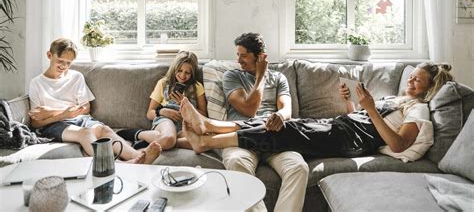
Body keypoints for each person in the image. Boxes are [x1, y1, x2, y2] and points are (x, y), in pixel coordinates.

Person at [180, 63, 453, 163]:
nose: (411, 82)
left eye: (418, 80)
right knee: (274, 121)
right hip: (342, 125)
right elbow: (366, 119)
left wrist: (369, 108)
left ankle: (207, 140)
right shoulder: (399, 99)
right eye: (412, 77)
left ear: (430, 86)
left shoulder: (419, 109)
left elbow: (398, 143)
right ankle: (210, 126)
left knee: (281, 129)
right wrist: (351, 105)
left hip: (349, 141)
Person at [208, 33, 309, 212]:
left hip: (273, 137)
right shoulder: (232, 76)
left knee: (299, 167)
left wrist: (279, 115)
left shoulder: (279, 78)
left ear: (260, 56)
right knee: (235, 161)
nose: (238, 60)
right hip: (242, 139)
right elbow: (248, 109)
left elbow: (286, 109)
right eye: (237, 54)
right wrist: (260, 76)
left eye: (244, 55)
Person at [28, 38, 161, 164]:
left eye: (68, 63)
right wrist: (63, 115)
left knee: (105, 130)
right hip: (54, 125)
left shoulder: (76, 76)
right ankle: (117, 164)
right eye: (60, 60)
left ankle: (137, 157)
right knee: (86, 132)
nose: (64, 66)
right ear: (49, 55)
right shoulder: (37, 83)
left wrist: (53, 111)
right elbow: (35, 123)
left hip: (79, 118)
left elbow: (85, 108)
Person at [118, 51, 207, 150]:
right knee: (169, 139)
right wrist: (163, 111)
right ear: (174, 69)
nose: (182, 75)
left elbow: (204, 114)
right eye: (180, 70)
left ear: (192, 73)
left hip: (185, 124)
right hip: (165, 120)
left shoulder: (197, 87)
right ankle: (138, 140)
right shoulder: (163, 84)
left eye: (187, 72)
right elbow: (150, 113)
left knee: (202, 141)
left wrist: (186, 106)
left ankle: (149, 139)